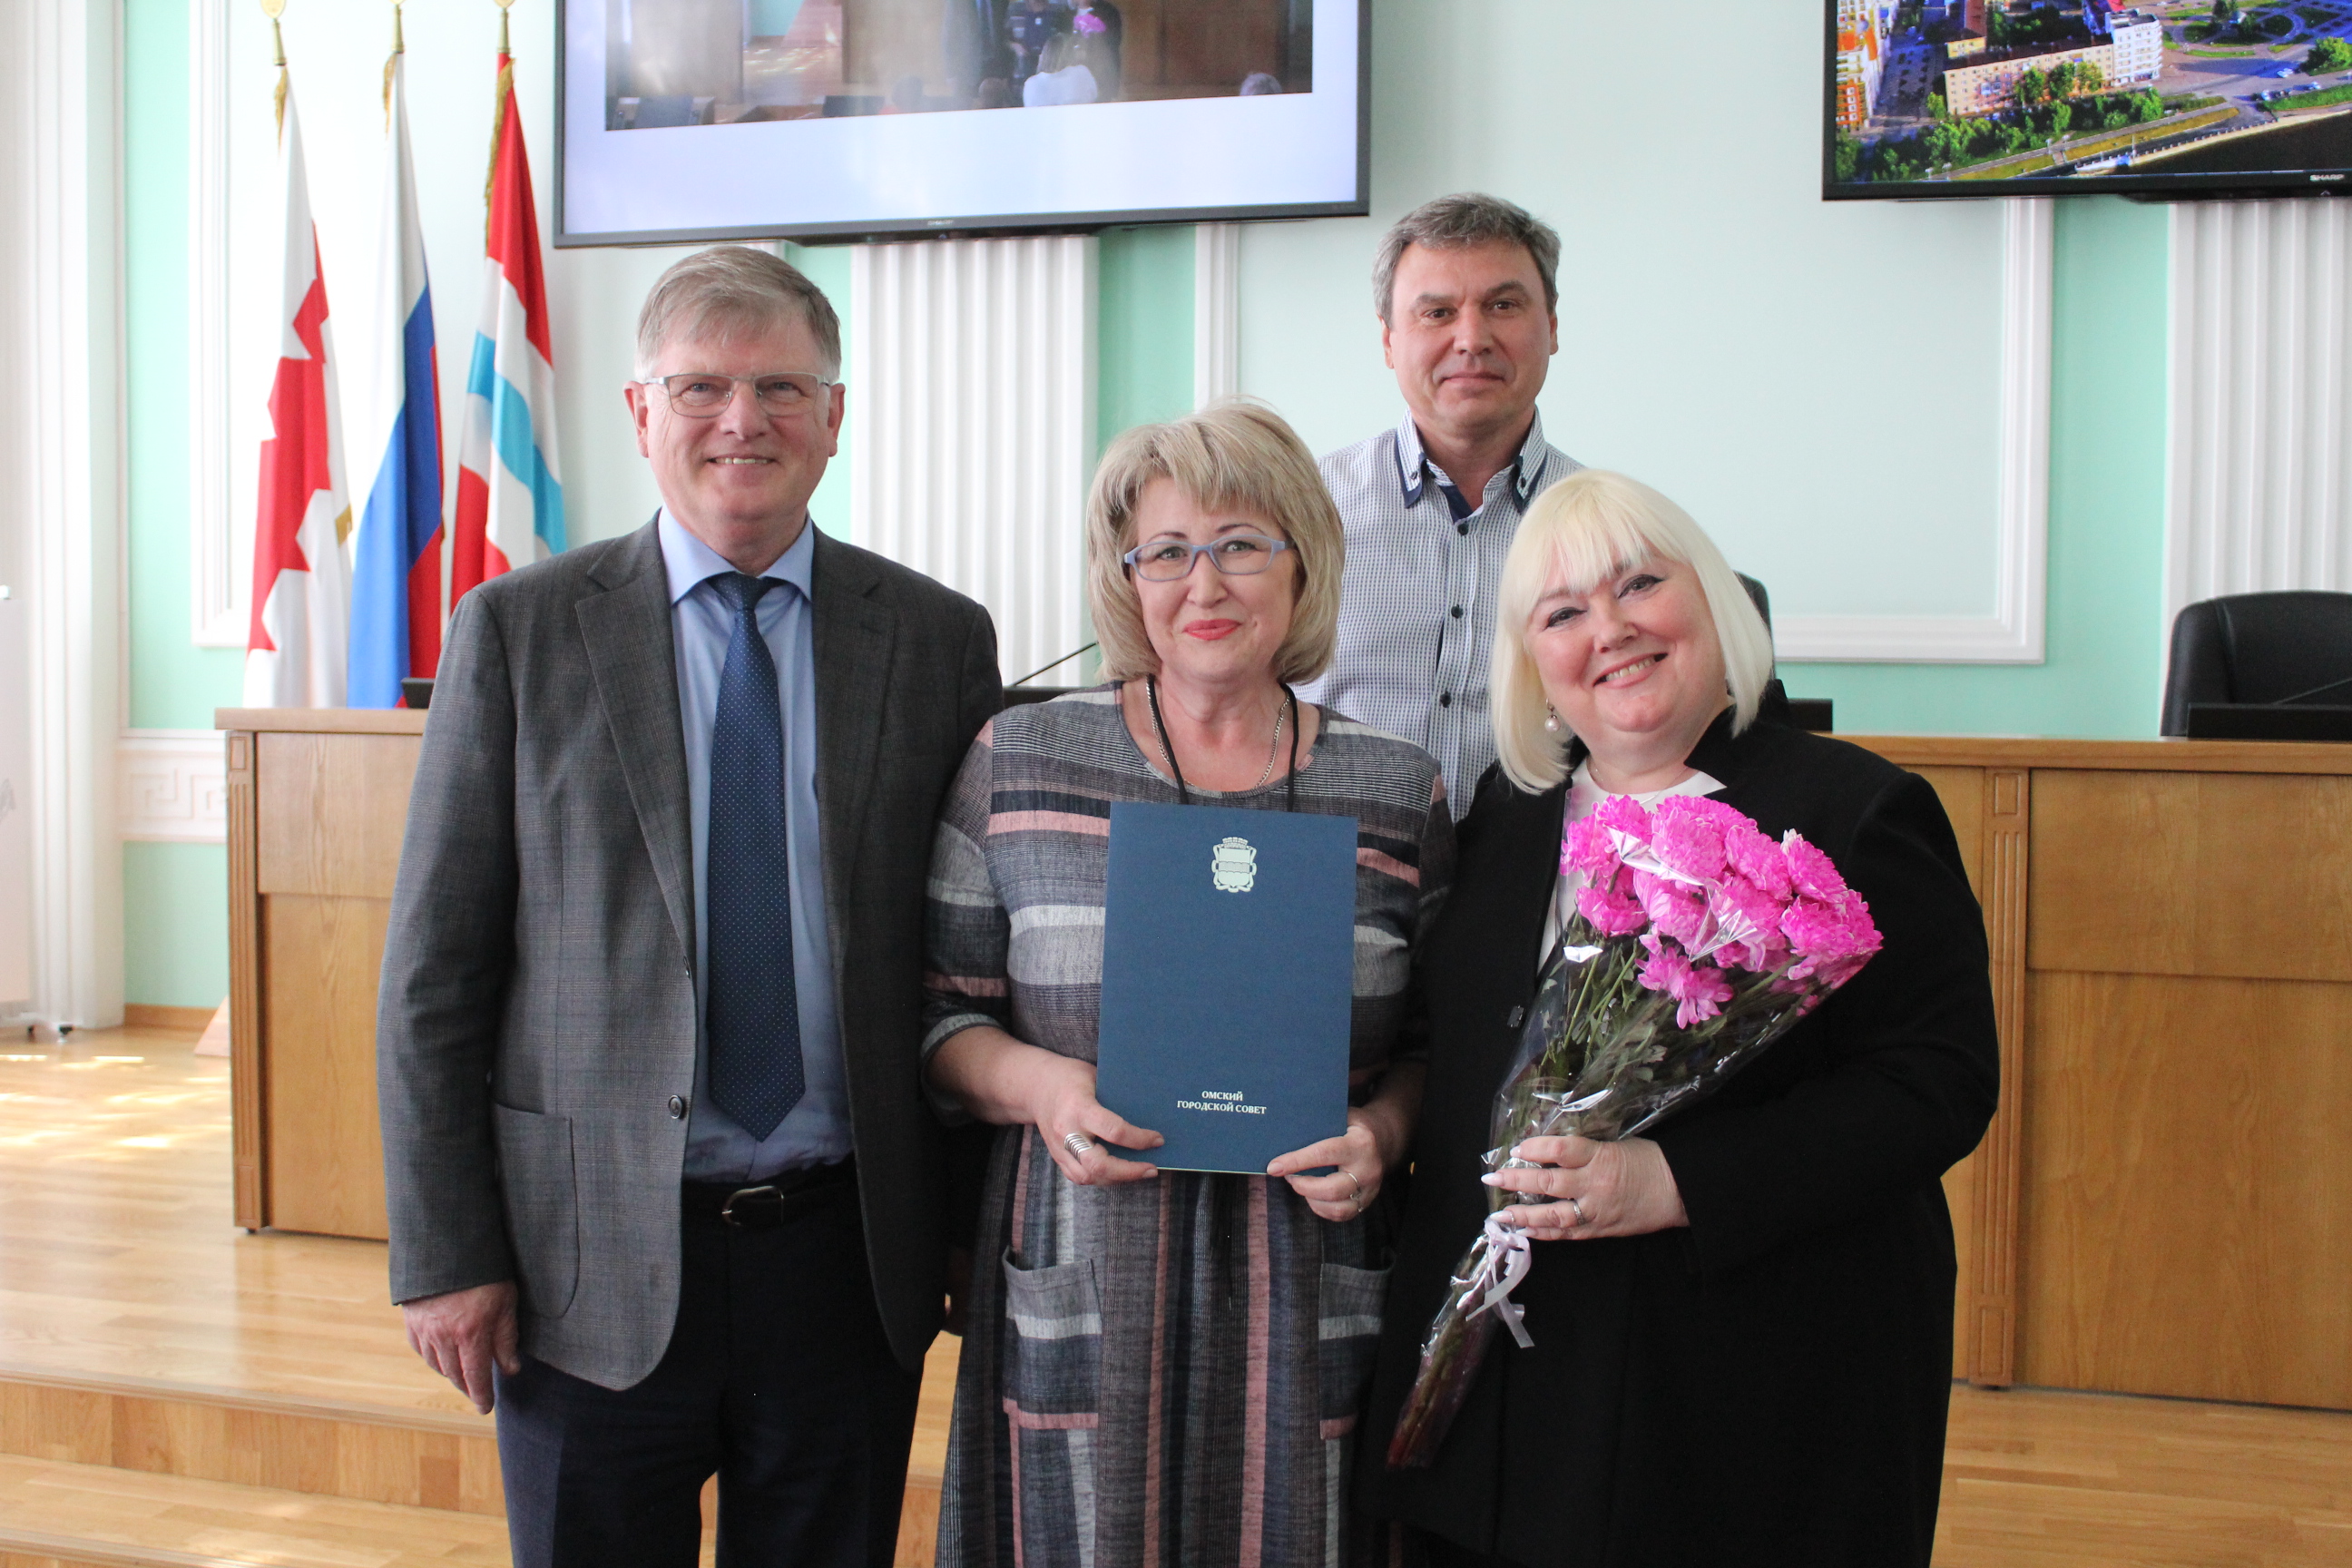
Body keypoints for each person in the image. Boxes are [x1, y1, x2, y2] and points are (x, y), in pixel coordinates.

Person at [377, 247, 1002, 1568]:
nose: (742, 419)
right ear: (639, 411)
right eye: (701, 386)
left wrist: (960, 1229)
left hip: (845, 1259)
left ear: (834, 415)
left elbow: (964, 961)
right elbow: (435, 974)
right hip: (585, 1257)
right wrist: (445, 1252)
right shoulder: (517, 632)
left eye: (782, 386)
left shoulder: (938, 640)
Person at [1357, 470, 1999, 1567]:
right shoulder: (1503, 818)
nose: (1608, 630)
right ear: (1532, 662)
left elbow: (1938, 1082)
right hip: (1510, 1393)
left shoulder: (1856, 810)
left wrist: (1675, 1182)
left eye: (1640, 584)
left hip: (1752, 1387)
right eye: (1563, 612)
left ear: (1712, 600)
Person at [922, 401, 1455, 1567]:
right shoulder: (1020, 760)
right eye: (1165, 551)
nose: (1202, 583)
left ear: (1303, 564)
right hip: (1088, 1252)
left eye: (1240, 545)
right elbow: (940, 1015)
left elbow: (1435, 1044)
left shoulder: (1395, 790)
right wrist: (1044, 1088)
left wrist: (1383, 1131)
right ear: (1127, 580)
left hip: (1308, 1269)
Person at [1297, 193, 1581, 819]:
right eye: (1437, 313)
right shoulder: (1301, 509)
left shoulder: (1610, 529)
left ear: (1553, 327)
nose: (1471, 339)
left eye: (1503, 306)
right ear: (1389, 341)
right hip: (1335, 858)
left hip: (1536, 869)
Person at [1021, 29, 1099, 105]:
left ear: (1045, 54)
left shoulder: (1031, 84)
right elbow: (1094, 97)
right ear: (1071, 53)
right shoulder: (1082, 73)